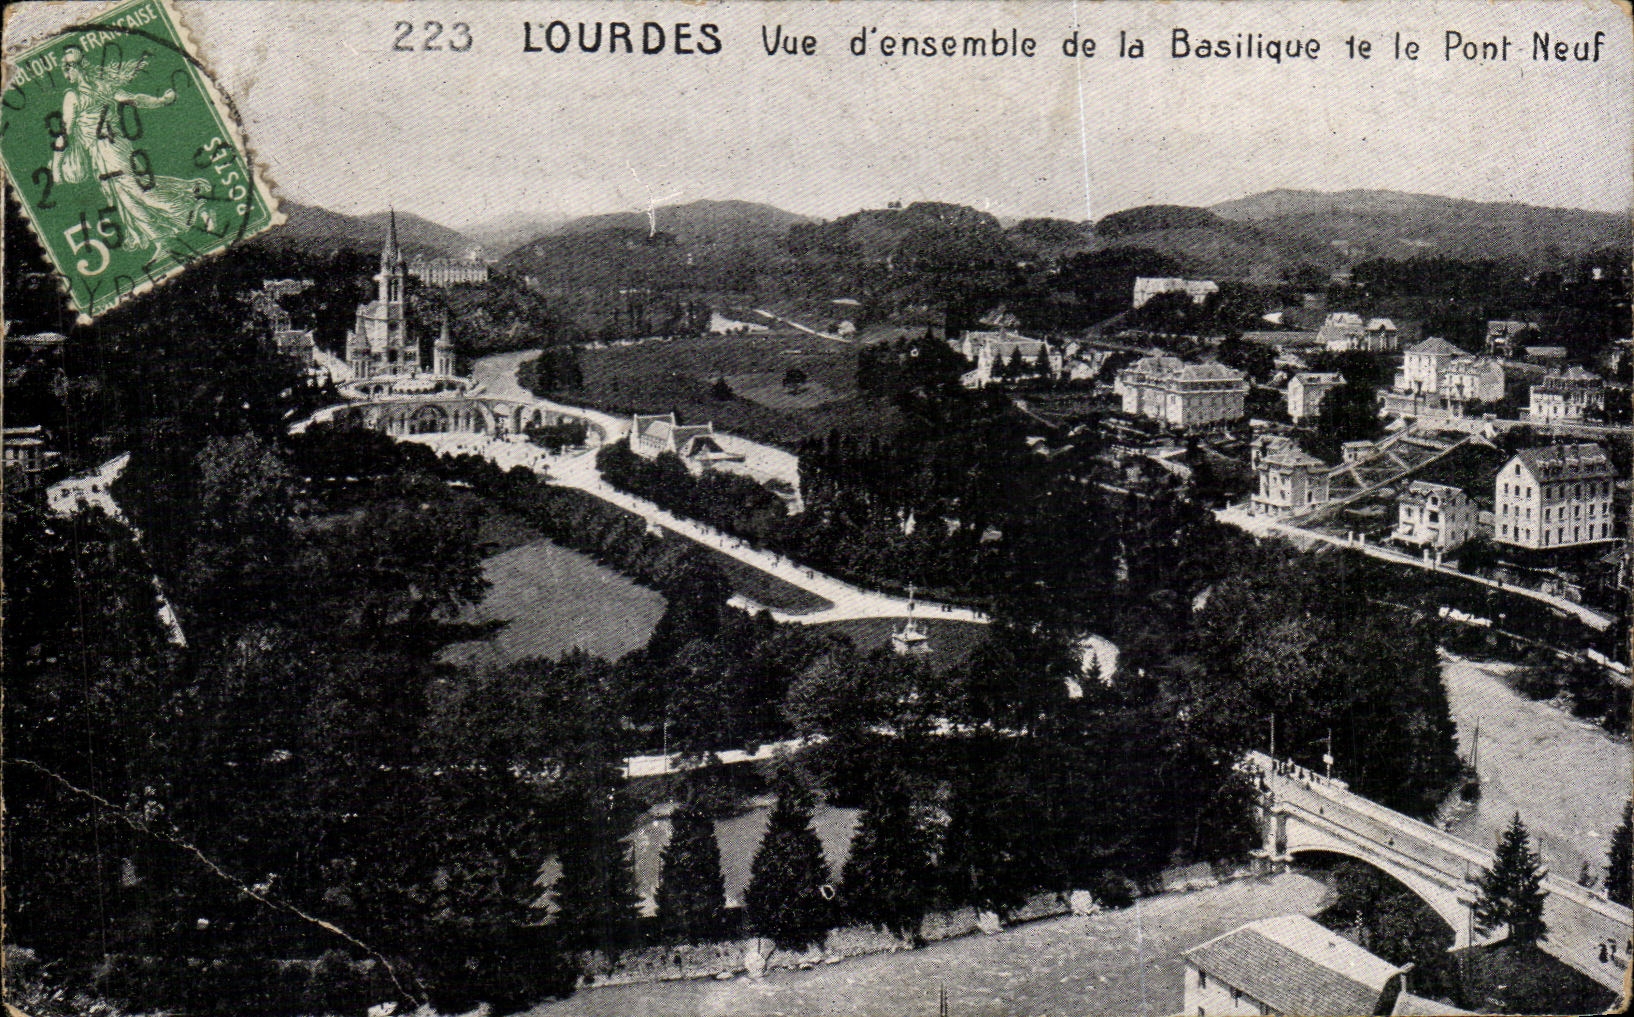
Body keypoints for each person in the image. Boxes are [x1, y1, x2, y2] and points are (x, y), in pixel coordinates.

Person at [53, 45, 218, 252]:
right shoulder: (102, 87)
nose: (67, 75)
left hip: (110, 151)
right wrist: (161, 101)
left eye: (68, 69)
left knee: (141, 192)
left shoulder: (73, 97)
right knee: (126, 197)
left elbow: (65, 132)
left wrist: (56, 167)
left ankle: (196, 209)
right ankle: (162, 239)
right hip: (108, 151)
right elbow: (134, 99)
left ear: (77, 68)